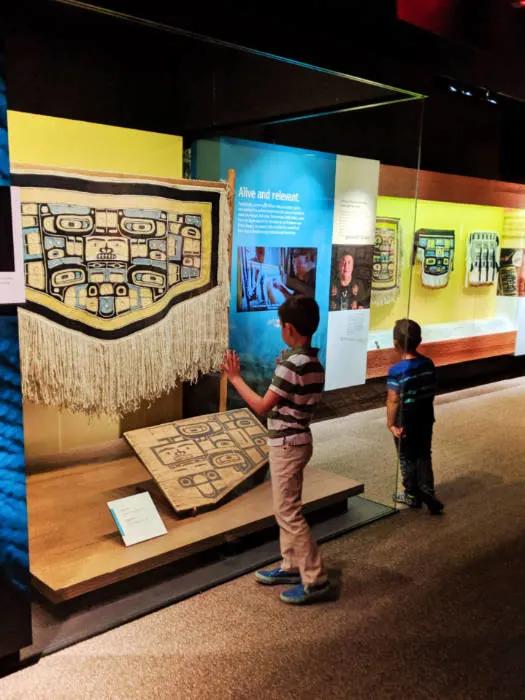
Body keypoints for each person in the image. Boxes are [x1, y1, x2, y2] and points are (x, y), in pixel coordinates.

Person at [222, 295, 330, 605]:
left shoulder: (290, 365)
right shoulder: (312, 360)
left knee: (288, 512)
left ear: (290, 328)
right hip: (300, 440)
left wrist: (235, 378)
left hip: (287, 443)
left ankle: (315, 577)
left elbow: (261, 406)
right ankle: (291, 565)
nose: (280, 328)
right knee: (287, 508)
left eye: (282, 325)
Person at [386, 318, 444, 515]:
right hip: (426, 416)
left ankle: (412, 494)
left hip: (406, 420)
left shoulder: (396, 371)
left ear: (395, 343)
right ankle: (428, 490)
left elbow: (393, 400)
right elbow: (431, 389)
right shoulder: (428, 363)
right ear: (419, 340)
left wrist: (391, 423)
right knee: (424, 453)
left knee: (407, 457)